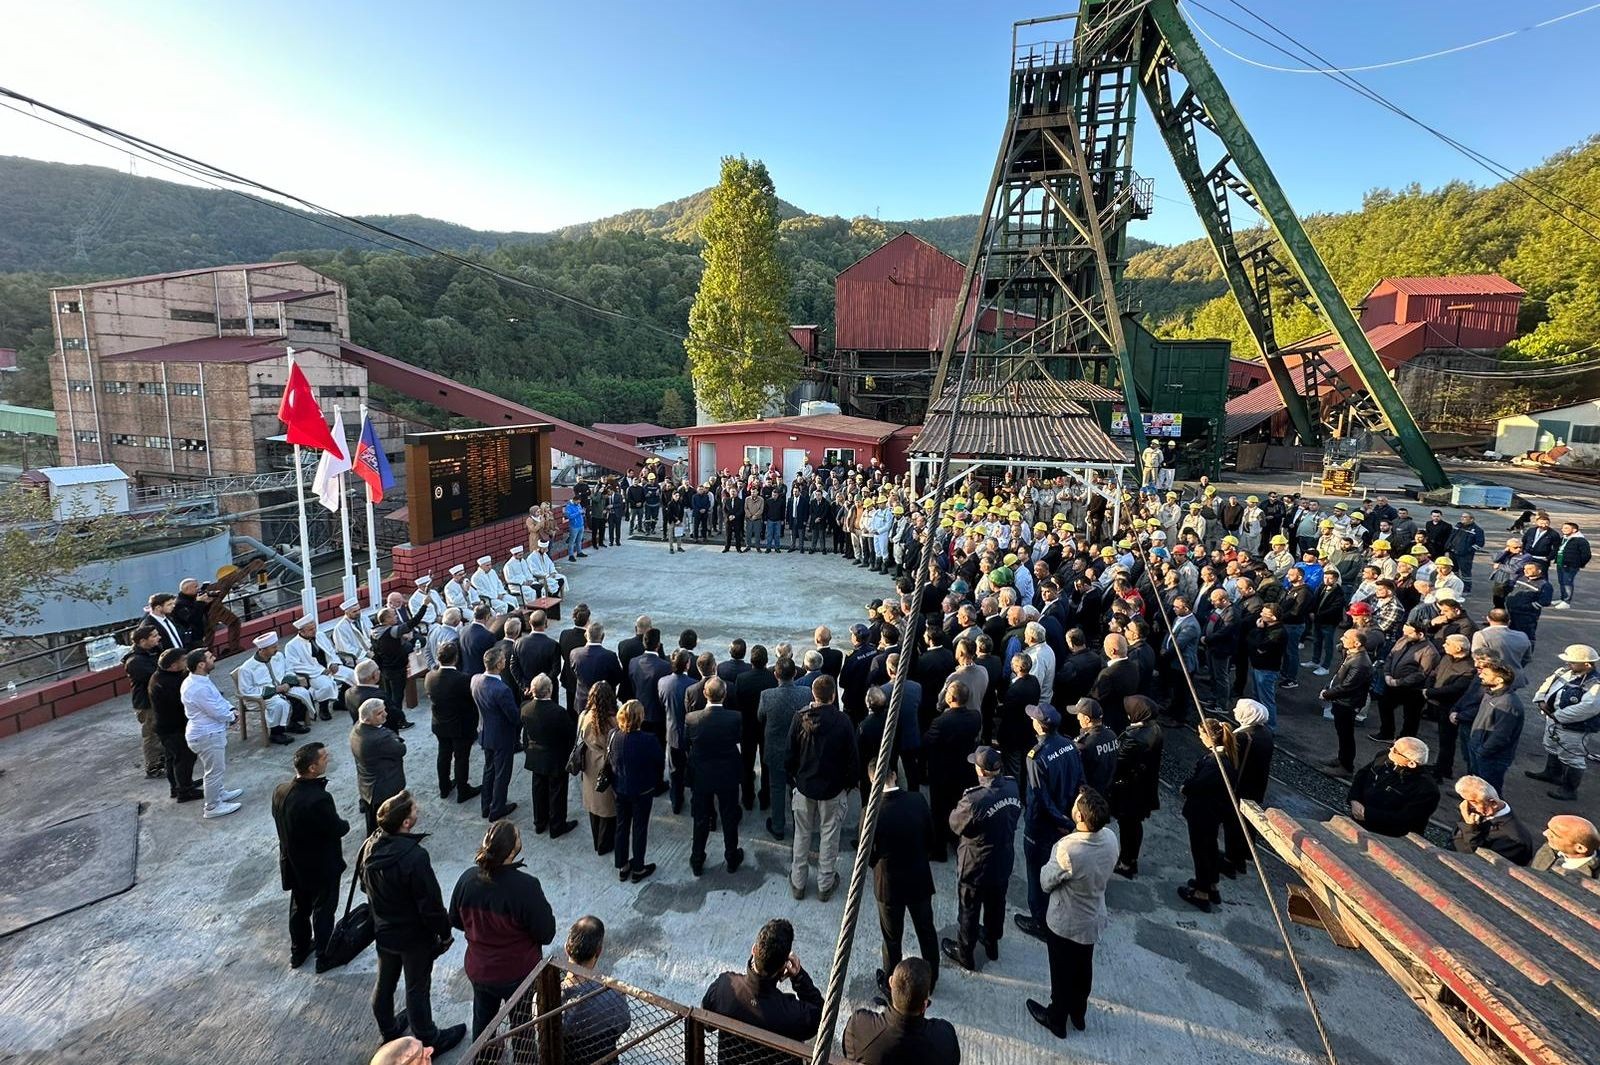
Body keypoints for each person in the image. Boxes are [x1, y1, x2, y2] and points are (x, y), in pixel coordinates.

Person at [361, 791, 466, 1055]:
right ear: (406, 823)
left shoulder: (370, 847)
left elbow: (365, 886)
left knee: (385, 982)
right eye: (414, 811)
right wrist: (444, 933)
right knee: (417, 988)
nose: (418, 812)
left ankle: (388, 1028)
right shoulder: (415, 857)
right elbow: (430, 905)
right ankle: (429, 1038)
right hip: (413, 937)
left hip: (384, 930)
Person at [448, 820, 556, 1049]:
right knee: (521, 1025)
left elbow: (455, 920)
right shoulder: (526, 887)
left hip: (479, 969)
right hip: (518, 974)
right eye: (518, 837)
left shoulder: (467, 879)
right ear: (511, 851)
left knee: (483, 1021)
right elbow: (546, 933)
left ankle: (483, 1056)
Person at [1027, 786, 1118, 1038]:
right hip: (1092, 918)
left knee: (1061, 970)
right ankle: (1078, 1013)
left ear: (1079, 817)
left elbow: (1046, 882)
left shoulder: (1068, 848)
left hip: (1066, 921)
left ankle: (1057, 1017)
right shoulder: (1110, 838)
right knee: (1083, 967)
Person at [941, 746, 1022, 971]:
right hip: (1003, 859)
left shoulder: (974, 799)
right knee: (997, 903)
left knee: (969, 908)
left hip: (975, 864)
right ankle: (992, 941)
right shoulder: (1012, 786)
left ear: (983, 772)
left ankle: (965, 953)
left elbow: (955, 824)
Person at [272, 741, 351, 971]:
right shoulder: (318, 799)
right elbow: (336, 828)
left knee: (299, 908)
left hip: (293, 862)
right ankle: (324, 955)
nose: (329, 758)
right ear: (313, 768)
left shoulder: (280, 791)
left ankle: (298, 951)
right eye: (324, 757)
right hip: (320, 866)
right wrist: (344, 824)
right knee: (324, 910)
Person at [701, 919, 822, 1063]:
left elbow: (707, 1024)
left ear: (753, 950)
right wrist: (799, 977)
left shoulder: (724, 987)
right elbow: (820, 1016)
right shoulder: (793, 1014)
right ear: (783, 967)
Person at [865, 764, 938, 997]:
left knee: (892, 939)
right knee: (926, 931)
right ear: (895, 774)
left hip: (889, 886)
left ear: (871, 780)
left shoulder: (872, 812)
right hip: (919, 879)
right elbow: (930, 838)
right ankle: (932, 979)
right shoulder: (917, 801)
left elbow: (868, 856)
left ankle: (891, 983)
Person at [787, 674, 857, 897]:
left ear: (813, 695)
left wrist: (795, 780)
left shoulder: (799, 719)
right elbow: (852, 758)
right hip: (832, 789)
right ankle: (825, 884)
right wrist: (848, 785)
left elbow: (789, 755)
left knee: (802, 834)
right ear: (834, 696)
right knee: (829, 836)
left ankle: (798, 881)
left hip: (805, 786)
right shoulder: (843, 721)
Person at [1014, 703, 1081, 938]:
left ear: (1039, 725)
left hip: (1043, 826)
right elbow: (1080, 780)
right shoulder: (1069, 745)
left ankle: (1040, 922)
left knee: (1036, 874)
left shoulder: (1036, 756)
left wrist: (1055, 820)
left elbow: (1039, 796)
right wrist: (1071, 819)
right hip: (1066, 821)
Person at [843, 958, 960, 1065]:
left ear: (890, 982)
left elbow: (848, 1055)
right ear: (924, 1005)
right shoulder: (944, 1039)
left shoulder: (859, 1027)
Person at [1526, 644, 1600, 802]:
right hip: (1553, 719)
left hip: (1573, 728)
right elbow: (1547, 684)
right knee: (1552, 746)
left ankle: (1569, 790)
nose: (1568, 665)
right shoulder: (1564, 671)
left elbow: (1587, 708)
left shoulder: (1595, 685)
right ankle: (1552, 773)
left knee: (1573, 756)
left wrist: (1557, 716)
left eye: (1572, 662)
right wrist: (1540, 699)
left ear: (1587, 664)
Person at [1178, 719, 1237, 912]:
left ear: (1209, 737)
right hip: (1213, 813)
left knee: (1201, 851)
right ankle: (1211, 884)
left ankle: (1201, 893)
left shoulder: (1215, 764)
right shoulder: (1225, 758)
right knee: (1210, 847)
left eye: (1201, 734)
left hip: (1203, 813)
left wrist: (1185, 787)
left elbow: (1199, 785)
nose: (1199, 737)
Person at [923, 679, 983, 863]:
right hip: (965, 770)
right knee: (959, 807)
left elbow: (927, 742)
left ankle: (938, 850)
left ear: (950, 698)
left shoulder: (940, 722)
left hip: (942, 772)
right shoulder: (975, 717)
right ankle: (956, 840)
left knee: (939, 811)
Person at [560, 916, 632, 1065]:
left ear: (567, 948)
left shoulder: (546, 999)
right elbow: (624, 1024)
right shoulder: (614, 996)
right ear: (598, 951)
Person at [180, 648, 243, 819]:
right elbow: (214, 710)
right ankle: (212, 806)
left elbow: (218, 700)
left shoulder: (201, 680)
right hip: (206, 735)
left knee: (218, 769)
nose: (213, 658)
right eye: (209, 657)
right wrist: (231, 716)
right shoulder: (196, 687)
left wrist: (231, 709)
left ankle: (219, 793)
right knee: (214, 771)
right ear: (201, 664)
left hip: (211, 732)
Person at [1108, 697, 1162, 878]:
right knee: (1133, 825)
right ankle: (1131, 859)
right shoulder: (1154, 729)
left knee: (1127, 826)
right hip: (1143, 788)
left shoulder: (1136, 738)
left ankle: (1126, 863)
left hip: (1130, 790)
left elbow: (1120, 762)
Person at [611, 699, 665, 881]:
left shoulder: (614, 736)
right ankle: (639, 868)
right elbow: (659, 761)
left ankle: (623, 865)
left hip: (620, 788)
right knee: (640, 828)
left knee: (621, 826)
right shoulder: (648, 740)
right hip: (642, 790)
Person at [758, 656, 810, 839]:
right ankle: (799, 828)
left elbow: (760, 717)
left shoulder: (766, 695)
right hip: (799, 750)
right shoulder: (806, 692)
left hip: (776, 750)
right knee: (797, 789)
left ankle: (778, 827)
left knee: (777, 788)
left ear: (775, 675)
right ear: (795, 673)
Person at [520, 673, 577, 838]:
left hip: (535, 757)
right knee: (557, 792)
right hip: (556, 758)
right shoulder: (558, 712)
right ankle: (557, 826)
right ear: (549, 690)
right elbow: (569, 734)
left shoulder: (525, 708)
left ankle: (539, 822)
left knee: (538, 789)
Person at [421, 642, 478, 805]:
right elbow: (470, 701)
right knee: (461, 757)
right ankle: (463, 789)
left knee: (443, 754)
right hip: (460, 725)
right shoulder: (463, 679)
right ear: (456, 658)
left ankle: (444, 787)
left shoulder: (429, 676)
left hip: (440, 723)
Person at [1349, 737, 1441, 838]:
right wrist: (1354, 799)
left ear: (1411, 763)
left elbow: (1405, 819)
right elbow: (1361, 775)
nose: (1390, 749)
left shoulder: (1426, 790)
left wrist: (1367, 814)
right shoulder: (1384, 756)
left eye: (1395, 750)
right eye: (1393, 744)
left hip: (1389, 836)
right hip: (1359, 819)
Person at [1223, 699, 1274, 874]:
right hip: (1257, 786)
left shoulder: (1244, 737)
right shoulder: (1266, 733)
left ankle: (1231, 861)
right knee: (1248, 823)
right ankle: (1243, 855)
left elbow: (1230, 759)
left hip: (1240, 787)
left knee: (1234, 824)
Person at [472, 646, 522, 822]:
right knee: (502, 773)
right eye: (503, 660)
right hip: (501, 737)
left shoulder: (475, 680)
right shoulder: (502, 689)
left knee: (489, 770)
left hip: (485, 733)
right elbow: (514, 717)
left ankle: (486, 805)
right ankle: (497, 808)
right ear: (499, 664)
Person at [236, 631, 308, 744]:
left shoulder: (278, 656)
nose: (277, 649)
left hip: (282, 688)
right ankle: (276, 733)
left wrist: (287, 683)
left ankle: (292, 723)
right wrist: (275, 690)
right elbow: (246, 691)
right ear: (262, 650)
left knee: (301, 693)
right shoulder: (246, 668)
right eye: (273, 647)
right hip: (261, 697)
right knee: (280, 704)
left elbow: (288, 669)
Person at [351, 697, 408, 836]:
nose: (385, 714)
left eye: (384, 710)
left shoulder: (358, 728)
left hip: (367, 785)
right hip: (384, 786)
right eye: (379, 713)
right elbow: (401, 749)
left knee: (372, 820)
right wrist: (393, 738)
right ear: (368, 719)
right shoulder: (380, 738)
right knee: (389, 821)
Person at [1465, 660, 1525, 793]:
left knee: (1489, 792)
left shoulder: (1507, 704)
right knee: (1476, 785)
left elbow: (1501, 735)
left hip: (1492, 757)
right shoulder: (1490, 693)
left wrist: (1482, 751)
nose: (1481, 675)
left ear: (1498, 680)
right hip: (1479, 748)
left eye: (1486, 674)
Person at [151, 647, 201, 802]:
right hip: (173, 728)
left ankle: (178, 786)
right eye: (183, 661)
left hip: (167, 727)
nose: (186, 663)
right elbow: (181, 703)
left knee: (172, 758)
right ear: (173, 666)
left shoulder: (162, 676)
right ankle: (185, 791)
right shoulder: (167, 683)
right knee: (184, 758)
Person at [1320, 629, 1373, 775]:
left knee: (1346, 734)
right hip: (1342, 700)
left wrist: (1327, 694)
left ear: (1356, 643)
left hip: (1348, 703)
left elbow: (1347, 686)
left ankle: (1346, 766)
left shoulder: (1361, 663)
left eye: (1346, 637)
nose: (1342, 639)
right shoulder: (1353, 655)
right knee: (1342, 733)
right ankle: (1341, 758)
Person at [1449, 776, 1535, 865]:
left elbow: (1478, 861)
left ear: (1493, 803)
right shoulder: (1480, 811)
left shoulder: (1515, 840)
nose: (1465, 806)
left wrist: (1470, 828)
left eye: (1473, 802)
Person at [579, 681, 620, 855]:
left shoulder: (584, 715)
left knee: (594, 803)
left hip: (589, 761)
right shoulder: (613, 720)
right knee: (607, 806)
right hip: (606, 763)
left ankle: (597, 841)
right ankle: (604, 844)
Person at [123, 626, 165, 778]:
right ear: (142, 641)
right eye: (153, 636)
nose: (158, 638)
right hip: (146, 704)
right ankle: (153, 766)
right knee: (152, 735)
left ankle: (163, 760)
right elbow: (157, 675)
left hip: (157, 700)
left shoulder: (153, 651)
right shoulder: (135, 661)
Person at [1073, 698, 1118, 797]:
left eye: (1078, 715)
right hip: (1108, 790)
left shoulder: (1083, 744)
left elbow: (1077, 774)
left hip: (1089, 795)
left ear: (1087, 719)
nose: (1077, 718)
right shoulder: (1112, 735)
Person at [1530, 815, 1599, 878]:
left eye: (1554, 835)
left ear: (1580, 848)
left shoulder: (1595, 875)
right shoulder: (1549, 848)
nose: (1545, 833)